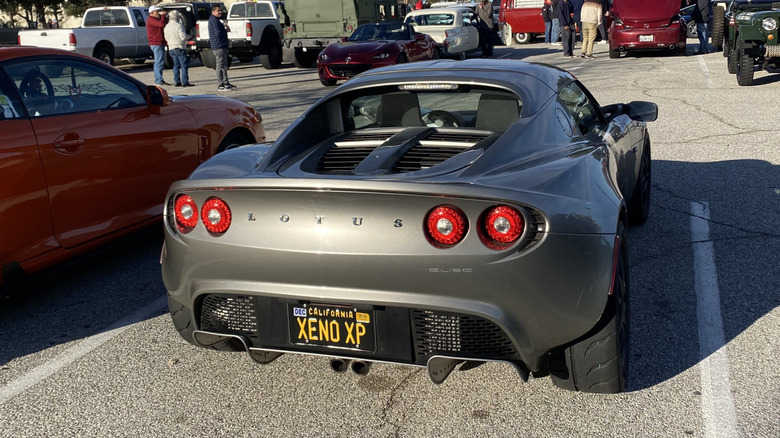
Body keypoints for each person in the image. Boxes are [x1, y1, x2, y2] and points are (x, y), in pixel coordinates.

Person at [164, 10, 193, 87]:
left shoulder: (167, 26)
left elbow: (166, 38)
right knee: (183, 65)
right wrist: (189, 36)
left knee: (175, 65)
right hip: (179, 47)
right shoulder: (178, 26)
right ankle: (185, 81)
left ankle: (177, 81)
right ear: (177, 17)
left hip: (171, 47)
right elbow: (183, 37)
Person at [208, 5, 234, 90]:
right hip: (218, 46)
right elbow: (217, 33)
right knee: (220, 65)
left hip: (222, 45)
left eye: (220, 11)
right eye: (218, 11)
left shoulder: (216, 20)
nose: (220, 12)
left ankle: (226, 82)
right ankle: (220, 84)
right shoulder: (213, 21)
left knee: (224, 65)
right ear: (213, 12)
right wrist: (225, 30)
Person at [147, 6, 169, 86]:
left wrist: (165, 16)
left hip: (159, 42)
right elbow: (161, 24)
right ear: (152, 13)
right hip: (156, 43)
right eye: (157, 11)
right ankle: (158, 80)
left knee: (160, 61)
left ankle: (159, 79)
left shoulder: (155, 19)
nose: (159, 13)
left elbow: (164, 23)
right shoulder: (151, 20)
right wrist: (163, 15)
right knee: (158, 62)